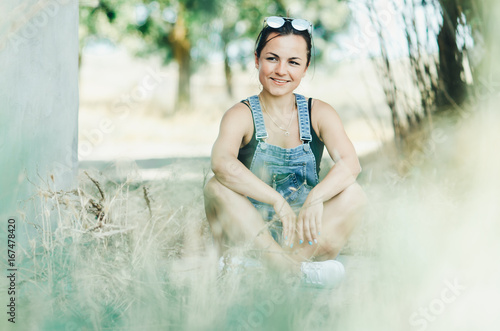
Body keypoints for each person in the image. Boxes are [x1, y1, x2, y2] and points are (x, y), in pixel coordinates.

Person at [203, 16, 367, 287]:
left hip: (301, 236)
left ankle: (266, 272)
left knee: (355, 195)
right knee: (215, 187)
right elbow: (221, 163)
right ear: (257, 60)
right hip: (251, 236)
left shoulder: (319, 112)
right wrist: (276, 201)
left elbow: (350, 164)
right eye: (272, 58)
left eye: (293, 62)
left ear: (306, 67)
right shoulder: (240, 115)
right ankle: (292, 272)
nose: (281, 70)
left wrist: (315, 198)